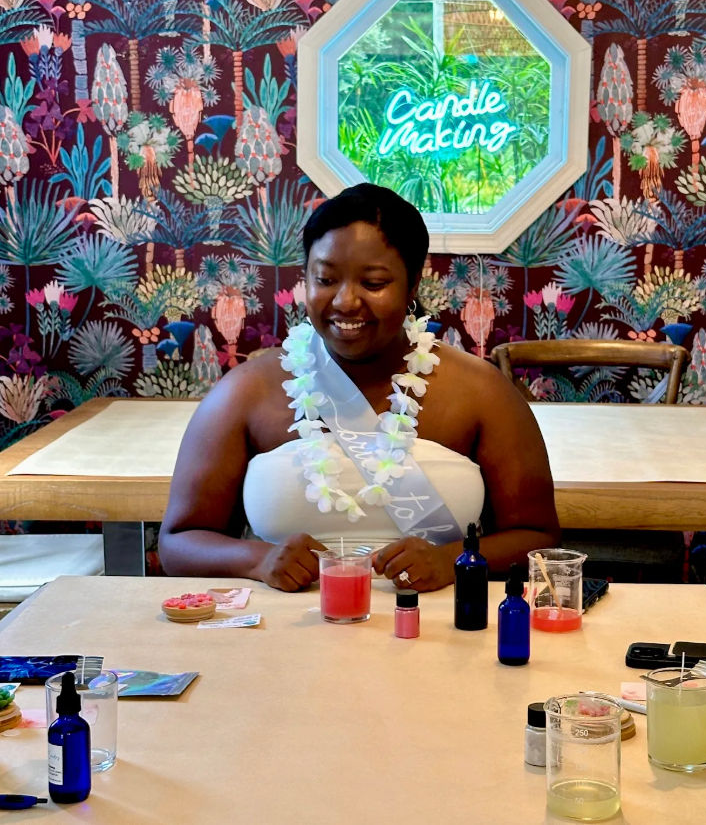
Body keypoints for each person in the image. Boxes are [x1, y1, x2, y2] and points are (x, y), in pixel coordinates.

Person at [159, 183, 560, 592]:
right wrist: (259, 560)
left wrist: (454, 559)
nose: (345, 302)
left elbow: (540, 541)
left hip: (442, 632)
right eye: (326, 279)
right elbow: (178, 544)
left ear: (413, 285)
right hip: (282, 638)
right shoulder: (247, 392)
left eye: (373, 283)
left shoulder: (481, 391)